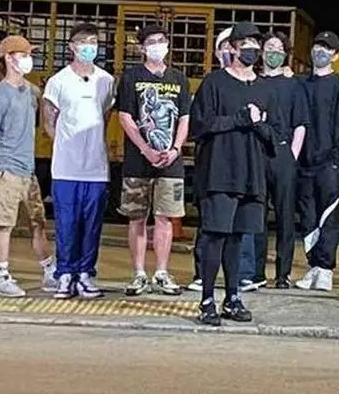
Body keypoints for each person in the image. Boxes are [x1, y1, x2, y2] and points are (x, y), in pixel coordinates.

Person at [190, 21, 281, 326]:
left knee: (237, 238)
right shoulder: (214, 83)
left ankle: (233, 298)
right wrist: (239, 120)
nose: (251, 50)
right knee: (215, 236)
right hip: (219, 172)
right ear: (231, 47)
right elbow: (200, 126)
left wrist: (258, 124)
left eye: (256, 45)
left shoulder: (264, 88)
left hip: (251, 174)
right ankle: (207, 300)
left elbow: (274, 134)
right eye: (245, 44)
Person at [0, 35, 57, 297]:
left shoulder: (29, 91)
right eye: (23, 55)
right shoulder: (0, 96)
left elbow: (44, 99)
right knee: (4, 225)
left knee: (37, 223)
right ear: (9, 58)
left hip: (27, 170)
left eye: (29, 54)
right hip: (7, 169)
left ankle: (49, 272)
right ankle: (1, 276)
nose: (28, 59)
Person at [42, 22, 115, 299]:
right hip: (66, 168)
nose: (88, 47)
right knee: (66, 223)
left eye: (93, 42)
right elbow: (48, 121)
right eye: (83, 42)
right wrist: (66, 146)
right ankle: (65, 274)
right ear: (71, 46)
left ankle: (85, 273)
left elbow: (105, 116)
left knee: (92, 225)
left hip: (96, 168)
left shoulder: (106, 81)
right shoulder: (58, 81)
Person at [117, 24, 191, 296]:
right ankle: (138, 274)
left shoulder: (179, 79)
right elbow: (125, 117)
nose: (158, 45)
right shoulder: (131, 77)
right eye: (151, 42)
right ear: (142, 47)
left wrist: (175, 149)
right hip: (138, 161)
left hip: (170, 163)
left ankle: (161, 272)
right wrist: (145, 149)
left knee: (165, 218)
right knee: (137, 218)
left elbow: (184, 118)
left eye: (161, 40)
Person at [239, 31, 307, 290]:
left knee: (285, 216)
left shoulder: (293, 85)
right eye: (269, 47)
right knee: (256, 215)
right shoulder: (254, 82)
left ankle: (283, 274)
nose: (273, 52)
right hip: (257, 155)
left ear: (285, 53)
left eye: (279, 48)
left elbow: (300, 124)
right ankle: (256, 273)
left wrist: (292, 155)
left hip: (283, 155)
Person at [295, 31, 339, 292]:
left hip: (329, 164)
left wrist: (337, 158)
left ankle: (325, 269)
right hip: (303, 164)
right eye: (318, 46)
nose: (320, 51)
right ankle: (313, 266)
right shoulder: (300, 83)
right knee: (307, 217)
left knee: (328, 216)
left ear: (335, 55)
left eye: (327, 48)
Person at [188, 27, 233, 292]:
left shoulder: (252, 83)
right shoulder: (210, 83)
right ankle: (201, 275)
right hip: (212, 165)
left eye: (232, 46)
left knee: (238, 228)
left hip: (239, 168)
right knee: (209, 225)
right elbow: (200, 124)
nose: (228, 51)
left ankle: (239, 278)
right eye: (224, 47)